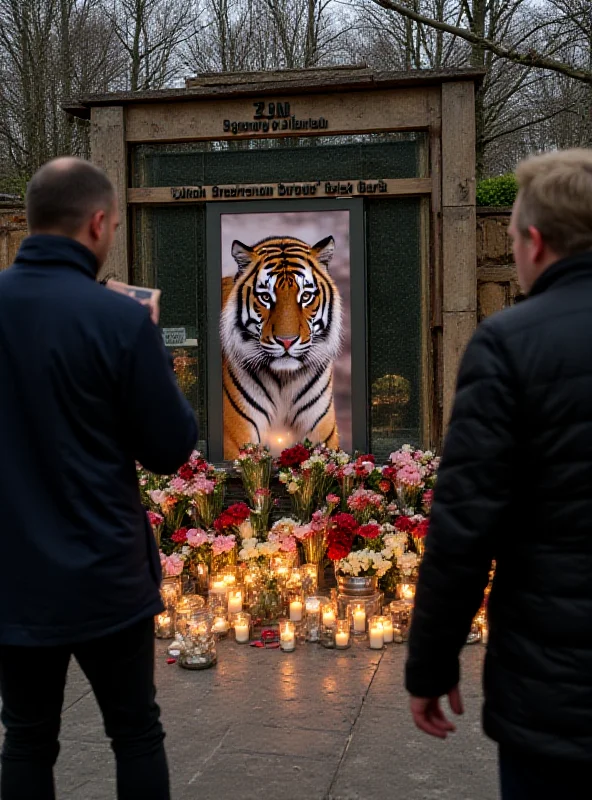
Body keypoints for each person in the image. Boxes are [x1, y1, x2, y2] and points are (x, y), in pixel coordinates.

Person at [0, 157, 197, 800]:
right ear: (98, 223)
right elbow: (170, 448)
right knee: (135, 733)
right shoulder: (119, 321)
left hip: (13, 574)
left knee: (25, 737)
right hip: (105, 575)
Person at [405, 148, 592, 799]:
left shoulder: (510, 342)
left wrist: (430, 663)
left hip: (559, 687)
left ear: (536, 242)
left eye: (512, 239)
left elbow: (464, 530)